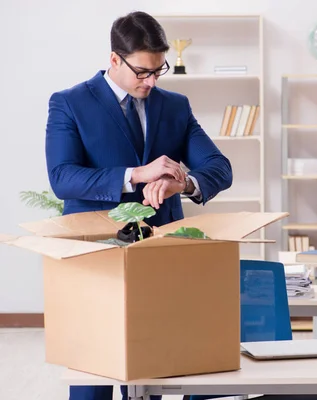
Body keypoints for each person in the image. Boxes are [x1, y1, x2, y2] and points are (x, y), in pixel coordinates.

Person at [44, 10, 232, 400]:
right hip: (94, 256)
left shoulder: (175, 106)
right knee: (91, 376)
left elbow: (219, 167)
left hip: (159, 255)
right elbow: (62, 178)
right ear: (115, 59)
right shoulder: (69, 103)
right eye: (142, 72)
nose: (151, 81)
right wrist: (136, 174)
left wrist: (182, 182)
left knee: (153, 368)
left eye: (158, 70)